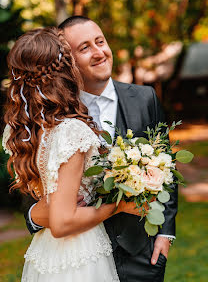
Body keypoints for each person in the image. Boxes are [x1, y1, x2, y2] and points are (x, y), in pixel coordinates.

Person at [23, 17, 178, 282]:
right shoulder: (51, 117)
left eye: (100, 41)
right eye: (84, 48)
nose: (99, 52)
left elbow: (166, 168)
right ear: (66, 62)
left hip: (141, 250)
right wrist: (34, 217)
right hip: (80, 255)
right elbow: (36, 184)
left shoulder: (144, 99)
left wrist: (164, 233)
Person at [2, 26, 146, 281]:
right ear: (66, 70)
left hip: (45, 250)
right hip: (78, 252)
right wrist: (118, 205)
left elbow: (51, 205)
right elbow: (62, 222)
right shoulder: (70, 131)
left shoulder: (22, 130)